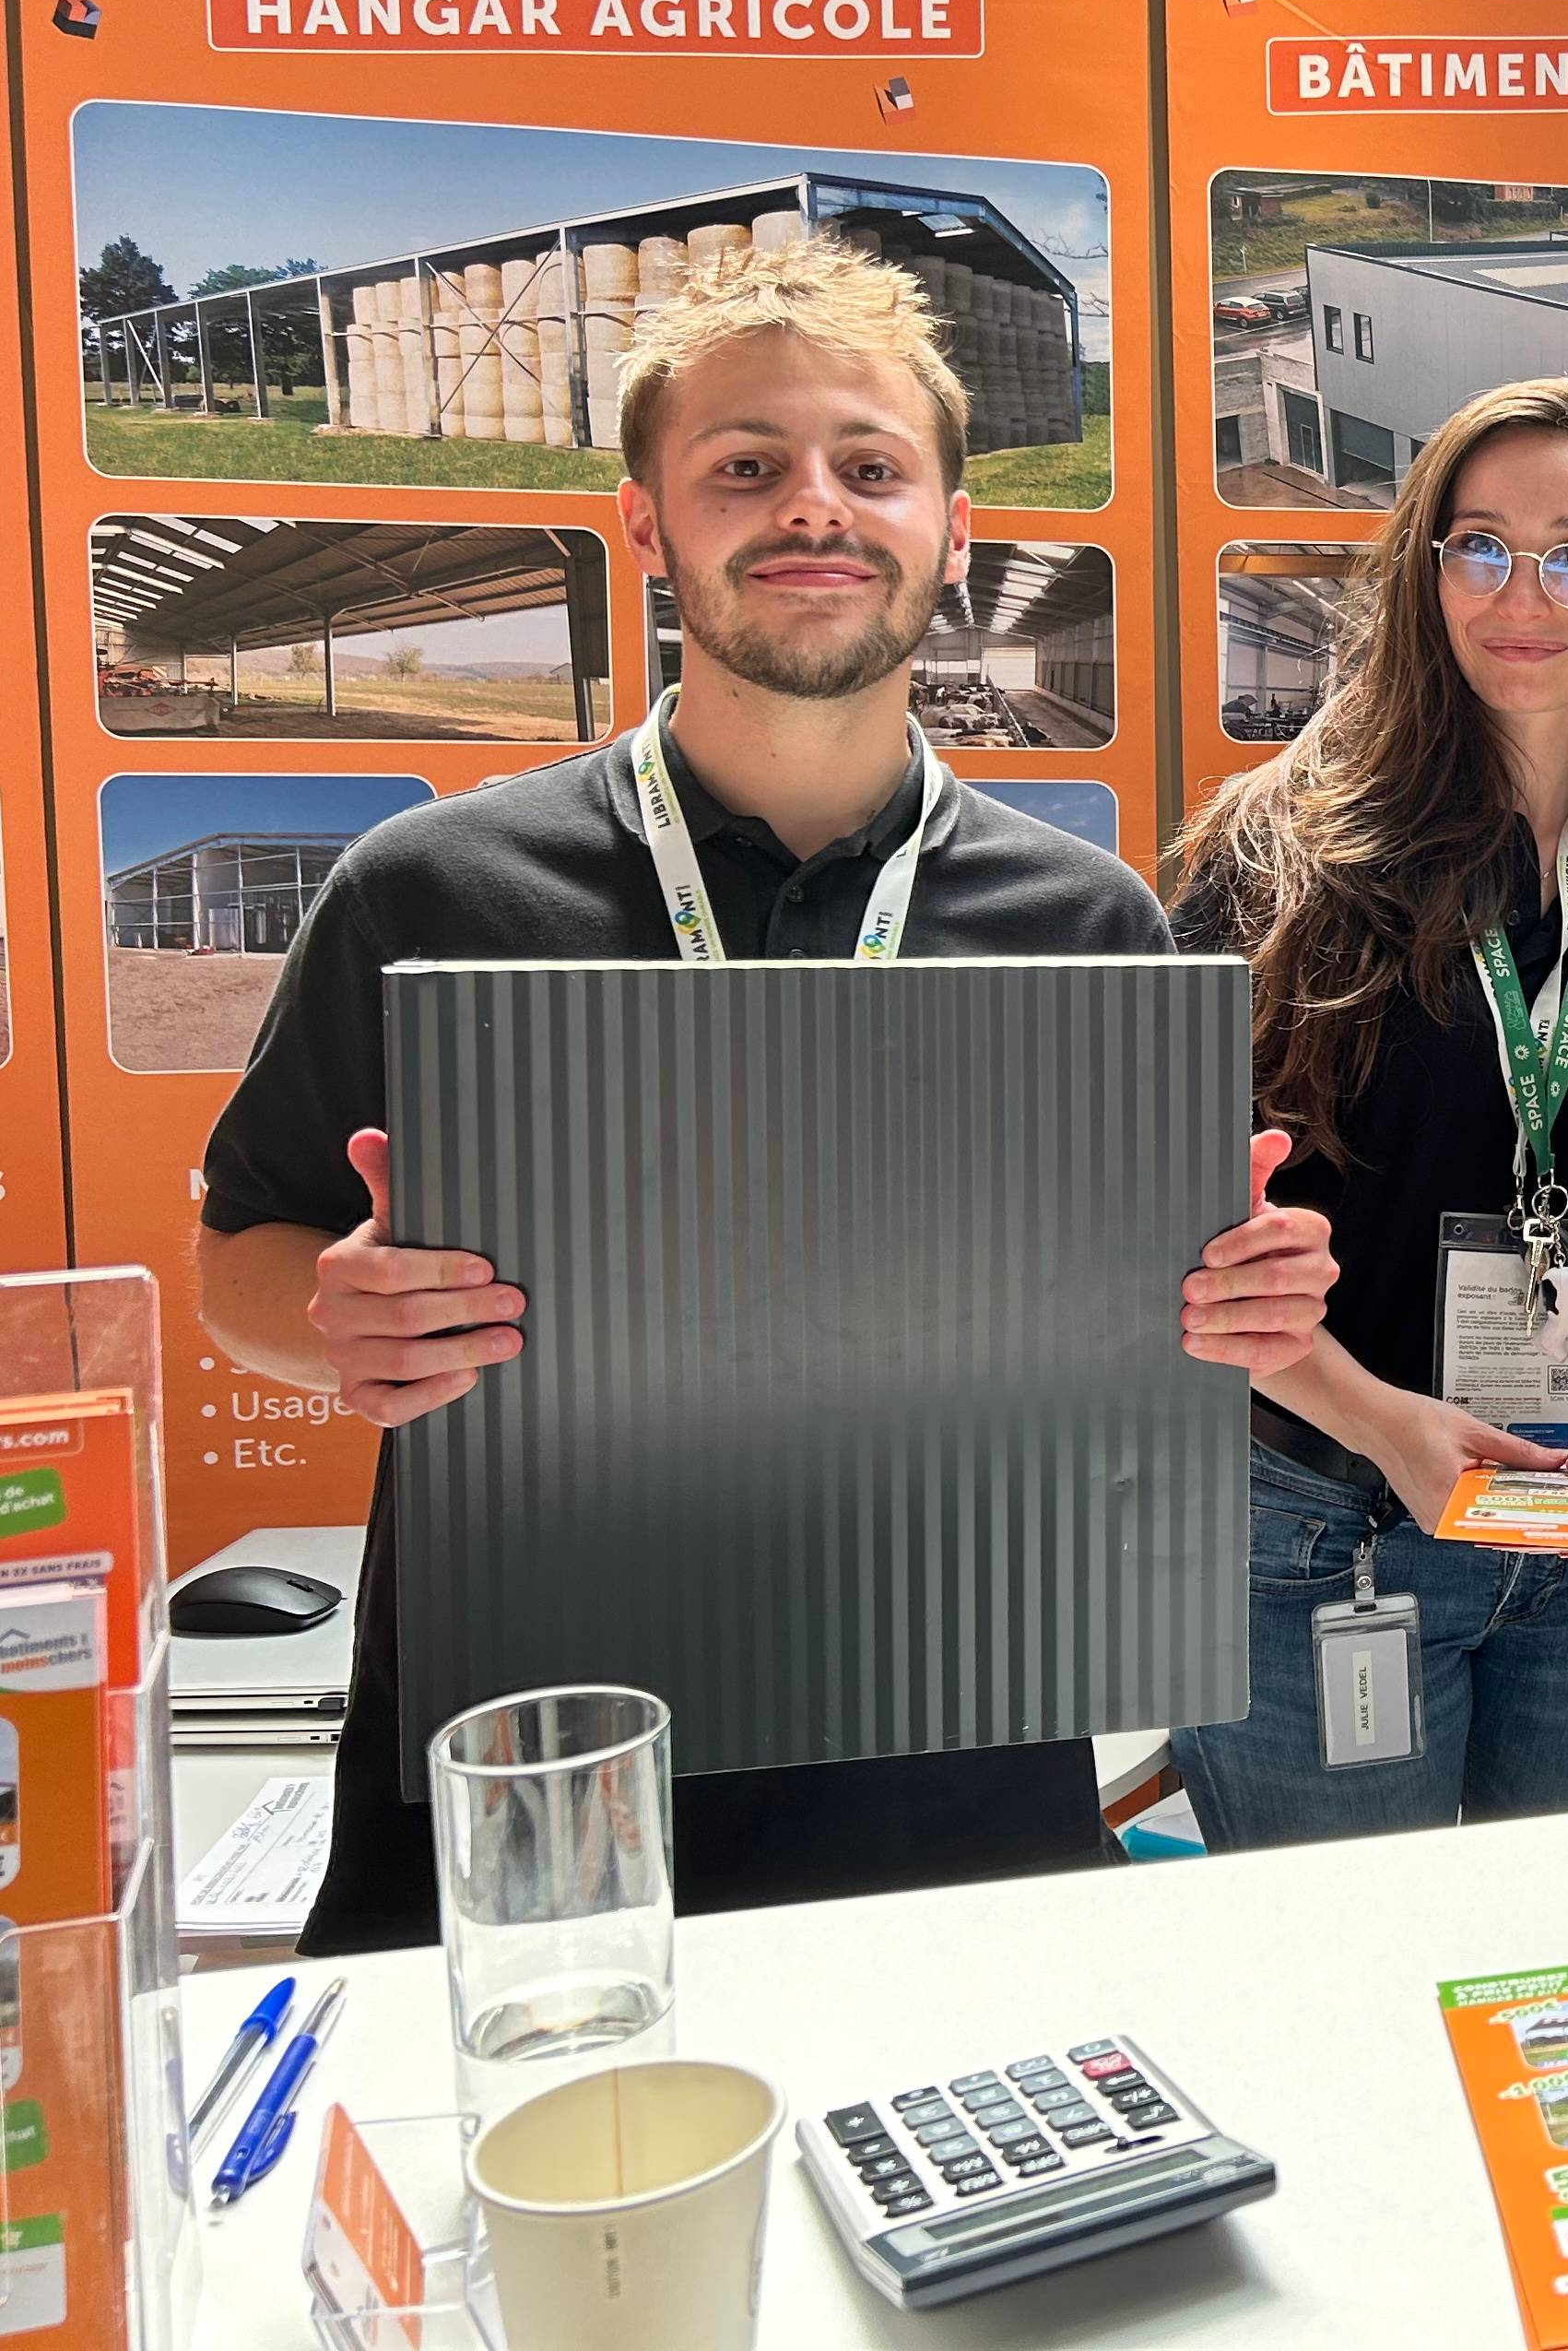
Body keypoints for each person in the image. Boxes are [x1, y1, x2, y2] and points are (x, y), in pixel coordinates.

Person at [194, 245, 1339, 1955]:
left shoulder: (1083, 923)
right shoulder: (431, 890)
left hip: (960, 1795)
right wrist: (338, 1318)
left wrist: (1236, 1309)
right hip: (533, 1814)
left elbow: (1152, 1332)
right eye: (745, 466)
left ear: (953, 528)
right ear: (646, 524)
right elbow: (239, 1263)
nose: (814, 505)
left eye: (870, 466)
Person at [1168, 376, 1568, 1845]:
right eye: (1481, 546)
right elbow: (1163, 1240)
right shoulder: (1278, 860)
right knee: (1347, 1959)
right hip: (1324, 1523)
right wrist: (1377, 1420)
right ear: (1429, 572)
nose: (1525, 596)